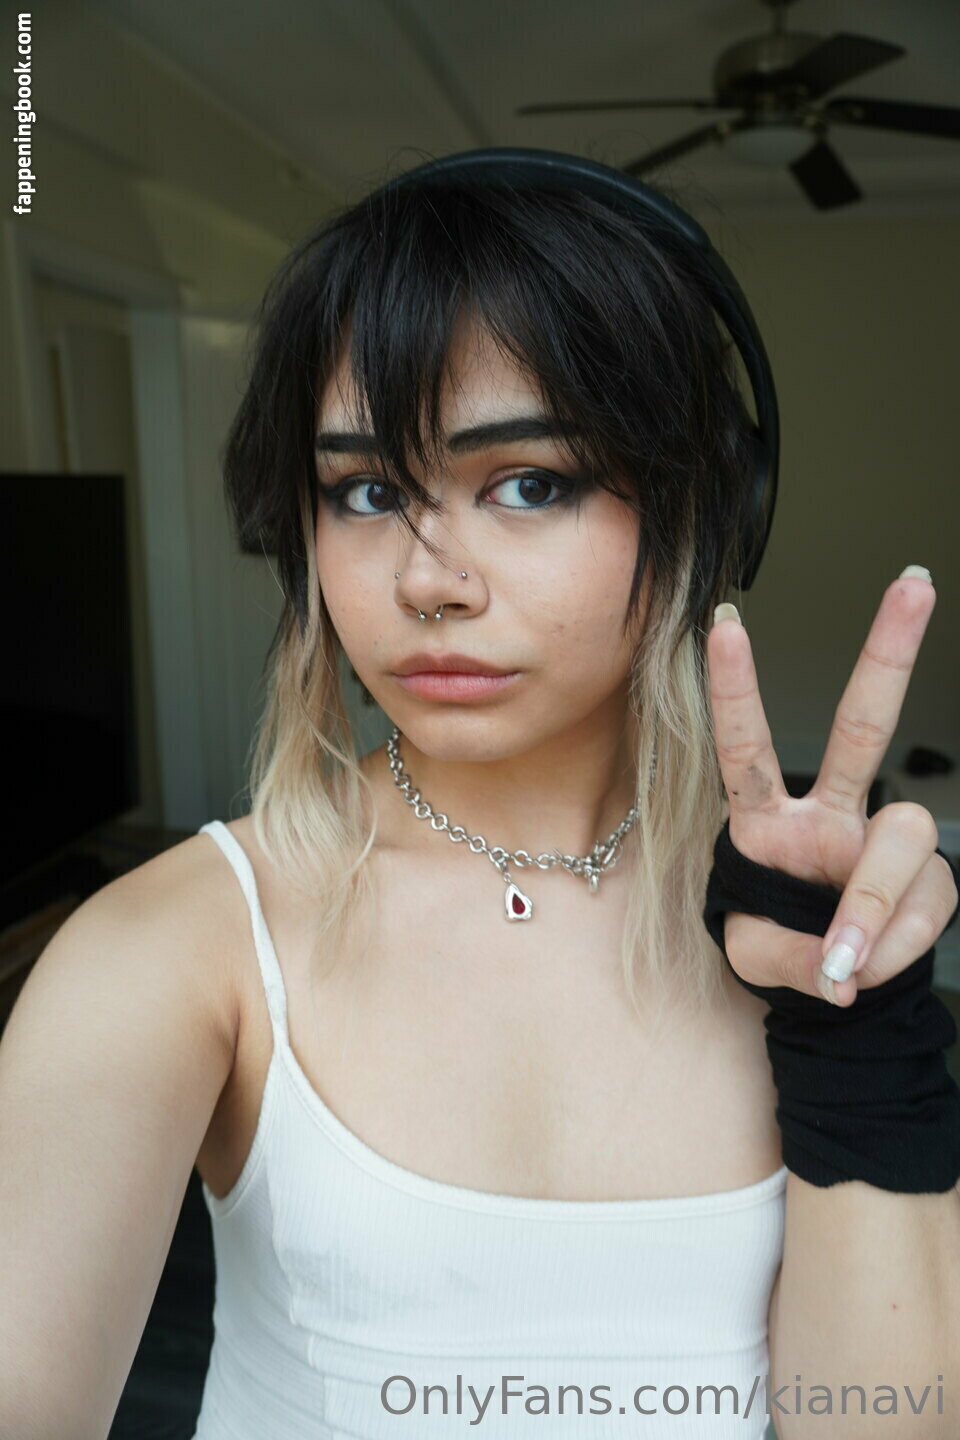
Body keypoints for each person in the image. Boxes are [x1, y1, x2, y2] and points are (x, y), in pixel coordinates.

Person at [2, 150, 957, 1440]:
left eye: (529, 483)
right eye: (364, 492)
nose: (424, 581)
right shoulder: (177, 943)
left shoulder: (789, 925)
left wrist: (860, 1031)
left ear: (700, 512)